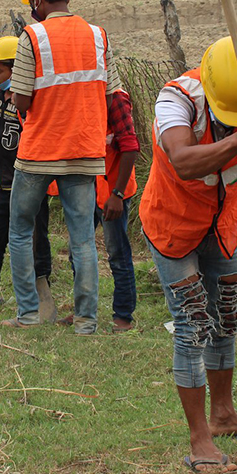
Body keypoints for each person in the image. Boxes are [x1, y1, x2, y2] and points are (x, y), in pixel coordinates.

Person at [140, 35, 237, 471]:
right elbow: (183, 161)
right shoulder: (177, 97)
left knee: (226, 315)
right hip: (173, 226)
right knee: (192, 322)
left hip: (224, 227)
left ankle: (224, 415)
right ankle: (199, 438)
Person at [4, 0, 123, 334]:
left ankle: (28, 315)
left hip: (39, 151)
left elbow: (22, 101)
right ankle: (86, 322)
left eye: (31, 2)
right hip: (85, 151)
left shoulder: (32, 37)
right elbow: (112, 93)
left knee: (21, 230)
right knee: (83, 238)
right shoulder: (98, 36)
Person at [0, 36, 57, 314]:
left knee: (37, 240)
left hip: (32, 182)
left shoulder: (30, 99)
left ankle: (43, 293)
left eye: (0, 70)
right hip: (4, 183)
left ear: (17, 70)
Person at [61, 89, 141, 331]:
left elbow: (130, 146)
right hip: (87, 188)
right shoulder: (79, 93)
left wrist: (116, 195)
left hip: (112, 191)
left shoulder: (114, 98)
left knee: (117, 253)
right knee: (78, 252)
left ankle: (123, 316)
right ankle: (82, 311)